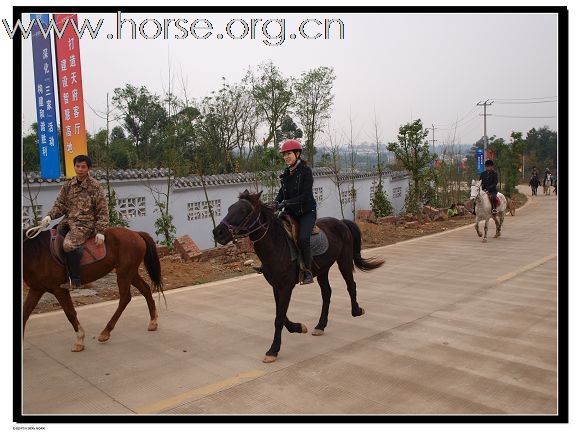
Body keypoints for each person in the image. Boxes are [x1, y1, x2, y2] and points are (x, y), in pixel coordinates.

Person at [39, 155, 109, 290]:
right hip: (68, 222)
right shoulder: (68, 185)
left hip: (85, 224)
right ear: (74, 166)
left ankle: (76, 279)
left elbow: (102, 210)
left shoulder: (95, 186)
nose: (80, 169)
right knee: (53, 237)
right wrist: (49, 216)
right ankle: (60, 273)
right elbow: (60, 204)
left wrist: (101, 231)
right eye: (78, 166)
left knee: (68, 245)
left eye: (83, 167)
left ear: (88, 168)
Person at [275, 139, 317, 285]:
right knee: (274, 230)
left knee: (303, 239)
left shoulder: (306, 171)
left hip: (307, 212)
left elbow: (305, 196)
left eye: (289, 154)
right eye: (284, 154)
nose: (286, 157)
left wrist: (286, 202)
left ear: (297, 154)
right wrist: (276, 202)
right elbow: (282, 192)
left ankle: (307, 272)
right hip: (291, 212)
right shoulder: (286, 173)